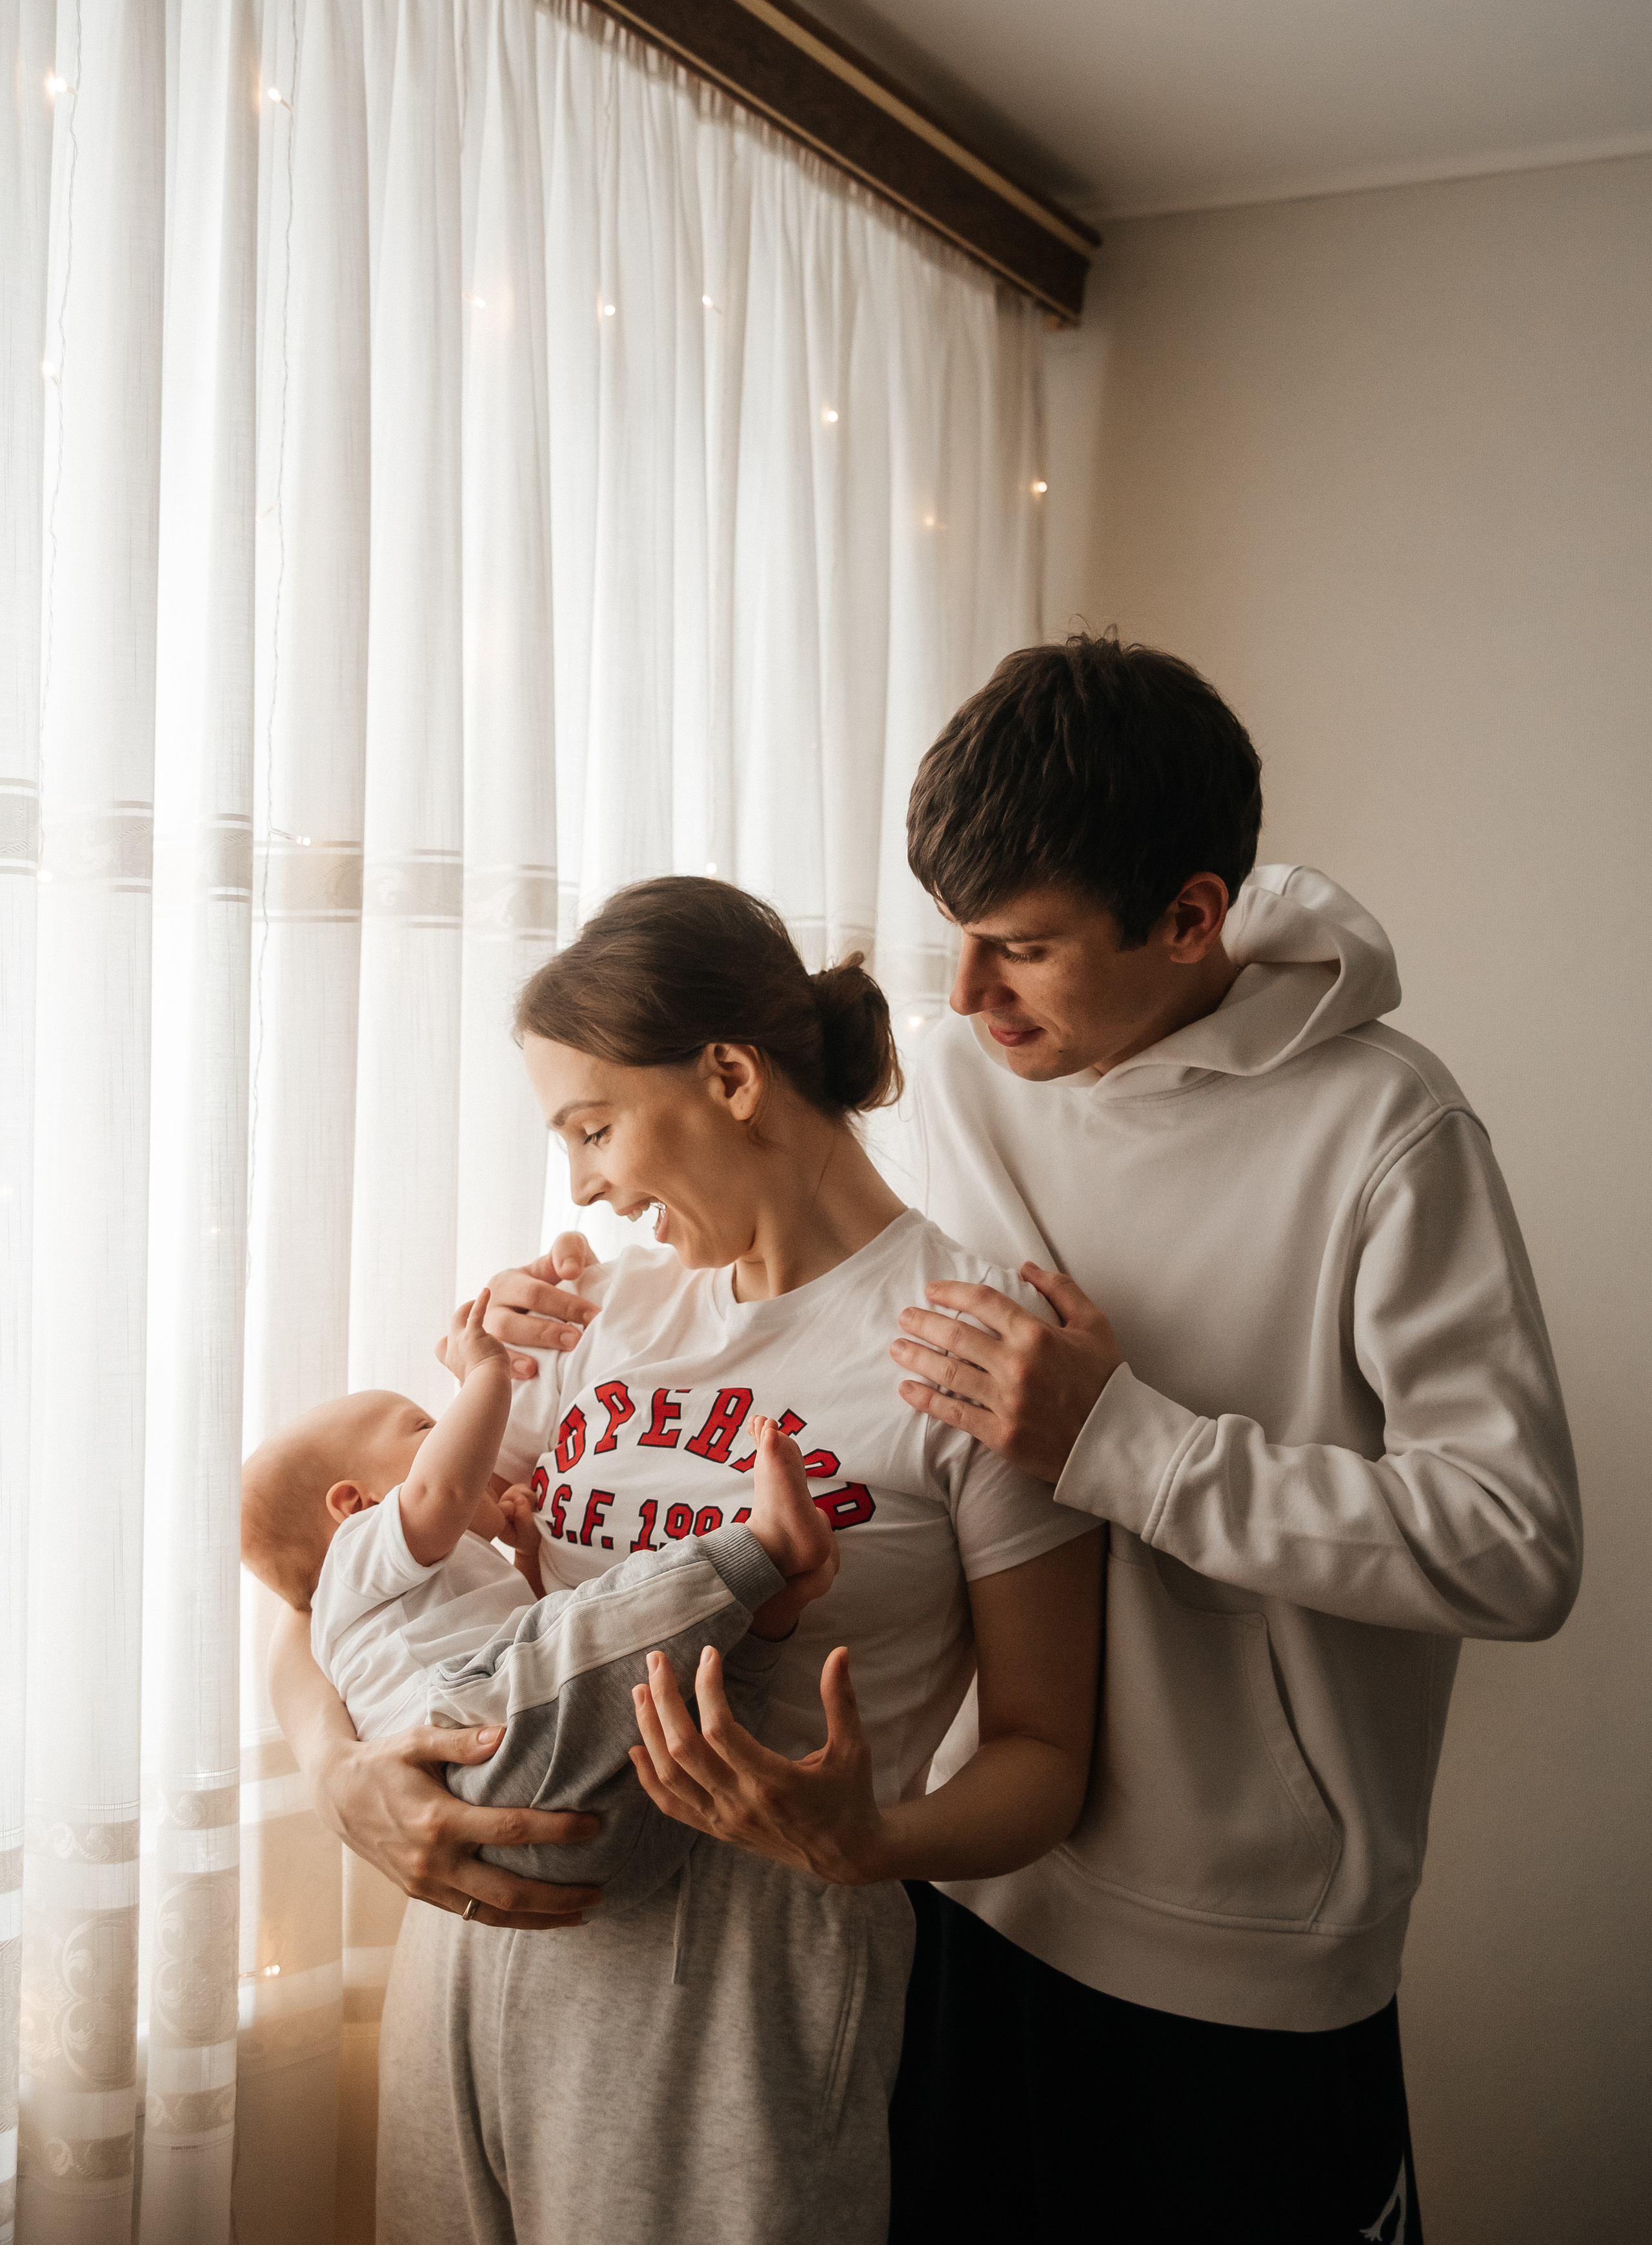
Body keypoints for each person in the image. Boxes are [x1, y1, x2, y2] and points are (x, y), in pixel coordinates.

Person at [523, 637, 1582, 2245]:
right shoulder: (956, 1080)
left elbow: (1513, 1546)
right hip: (942, 1898)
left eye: (1017, 948)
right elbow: (782, 1293)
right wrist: (527, 1339)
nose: (961, 998)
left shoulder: (1390, 1136)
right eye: (956, 940)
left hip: (1246, 1962)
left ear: (1187, 915)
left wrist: (1124, 1442)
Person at [263, 876, 1102, 2245]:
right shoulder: (587, 1317)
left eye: (592, 1128)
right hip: (476, 1962)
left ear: (727, 1075)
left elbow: (1042, 1758)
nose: (582, 1182)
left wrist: (870, 1838)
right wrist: (336, 1773)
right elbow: (340, 1582)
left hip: (740, 2009)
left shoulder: (968, 1349)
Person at [240, 1287, 837, 1906]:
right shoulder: (356, 1551)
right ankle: (764, 1549)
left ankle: (770, 1611)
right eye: (425, 1428)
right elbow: (439, 1495)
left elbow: (518, 1623)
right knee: (598, 1631)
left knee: (672, 1702)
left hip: (595, 1847)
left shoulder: (392, 1593)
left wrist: (525, 1558)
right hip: (476, 1750)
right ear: (353, 1503)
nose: (451, 1434)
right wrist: (485, 1373)